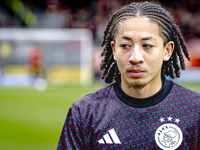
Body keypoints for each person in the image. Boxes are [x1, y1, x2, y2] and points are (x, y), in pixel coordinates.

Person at [57, 1, 200, 149]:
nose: (135, 57)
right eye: (125, 45)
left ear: (167, 51)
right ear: (113, 50)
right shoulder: (84, 113)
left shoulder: (195, 109)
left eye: (147, 46)